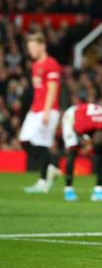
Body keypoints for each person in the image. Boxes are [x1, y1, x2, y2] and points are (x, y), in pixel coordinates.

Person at [21, 32, 62, 193]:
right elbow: (40, 90)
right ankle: (50, 168)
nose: (30, 50)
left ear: (42, 46)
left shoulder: (51, 64)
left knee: (41, 144)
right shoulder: (36, 65)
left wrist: (46, 111)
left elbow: (53, 89)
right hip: (36, 109)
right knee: (24, 141)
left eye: (33, 47)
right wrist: (33, 108)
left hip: (47, 110)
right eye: (29, 47)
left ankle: (43, 182)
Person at [61, 101, 102, 202]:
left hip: (92, 119)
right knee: (72, 150)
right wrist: (86, 144)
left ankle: (99, 190)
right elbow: (77, 131)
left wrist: (93, 146)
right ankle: (68, 189)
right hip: (72, 116)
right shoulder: (83, 126)